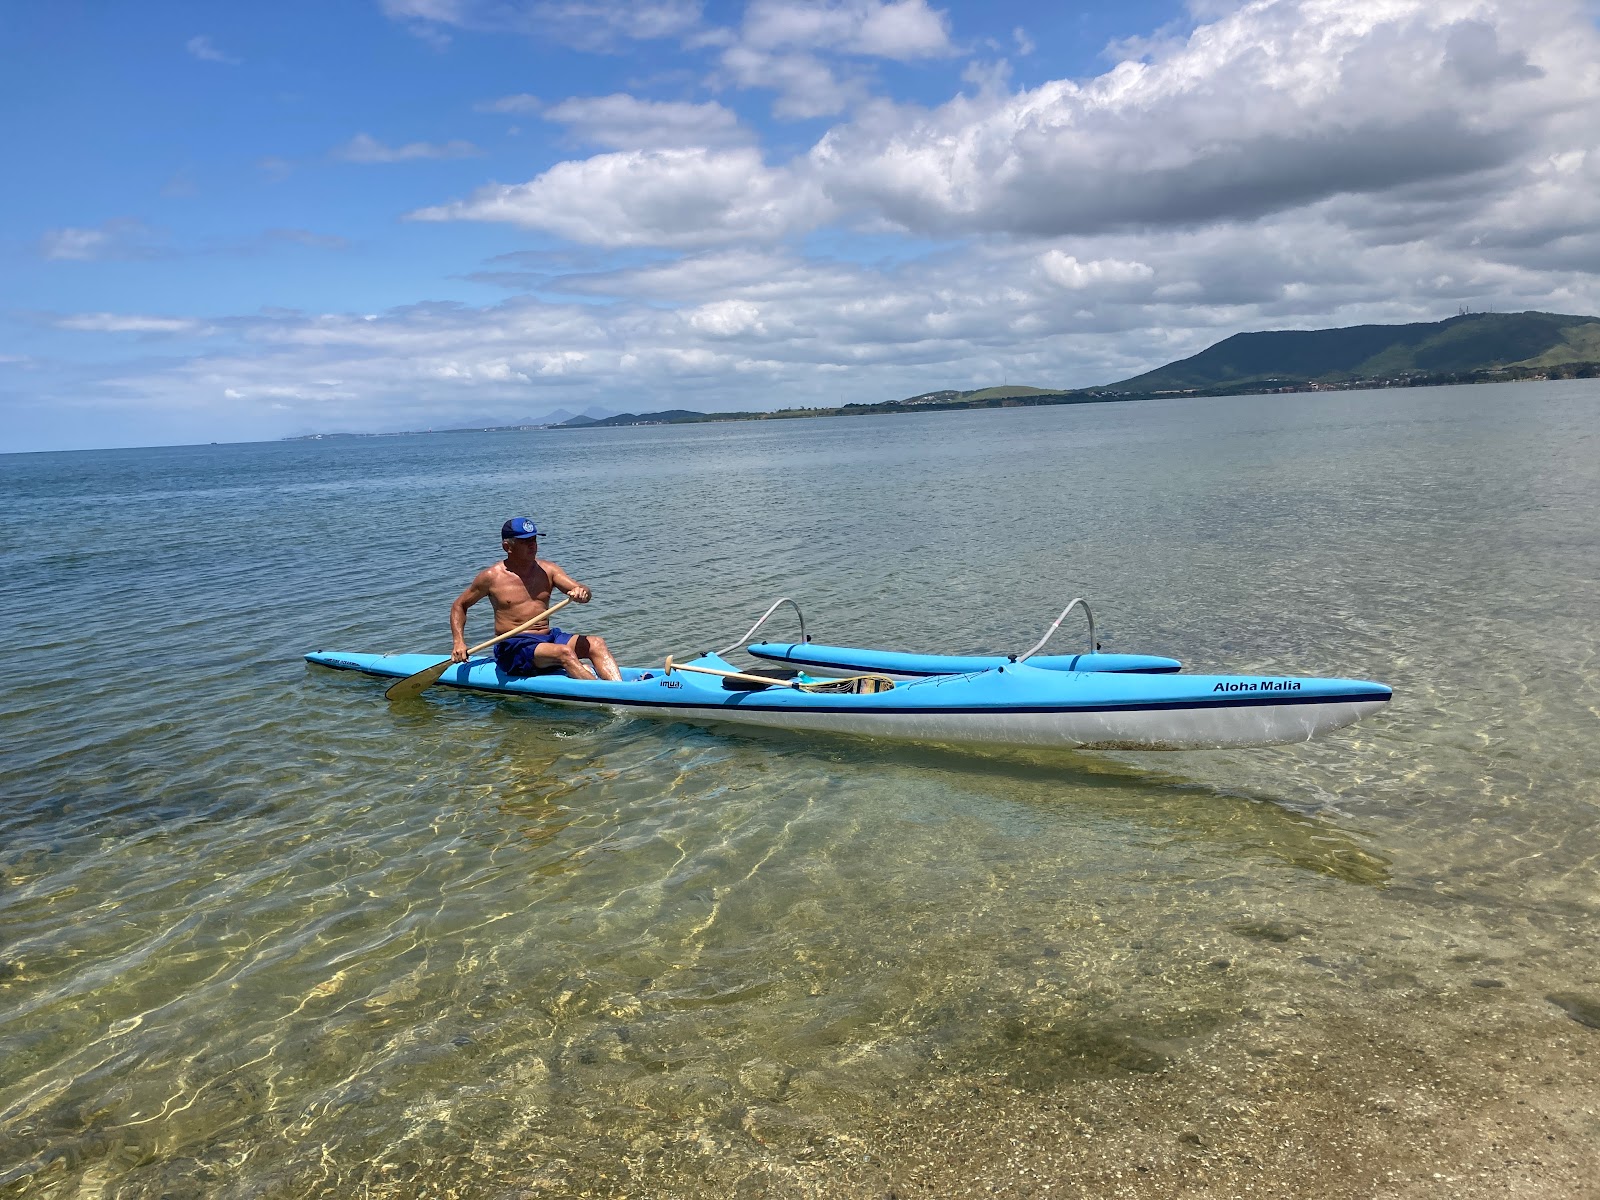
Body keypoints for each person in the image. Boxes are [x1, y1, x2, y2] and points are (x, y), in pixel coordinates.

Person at [450, 517, 621, 681]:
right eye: (525, 542)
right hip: (513, 646)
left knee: (596, 643)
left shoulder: (548, 570)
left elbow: (582, 590)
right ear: (507, 547)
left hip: (548, 638)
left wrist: (582, 593)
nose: (532, 545)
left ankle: (621, 690)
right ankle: (605, 695)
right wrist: (459, 642)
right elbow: (460, 605)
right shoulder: (491, 577)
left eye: (534, 540)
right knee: (564, 652)